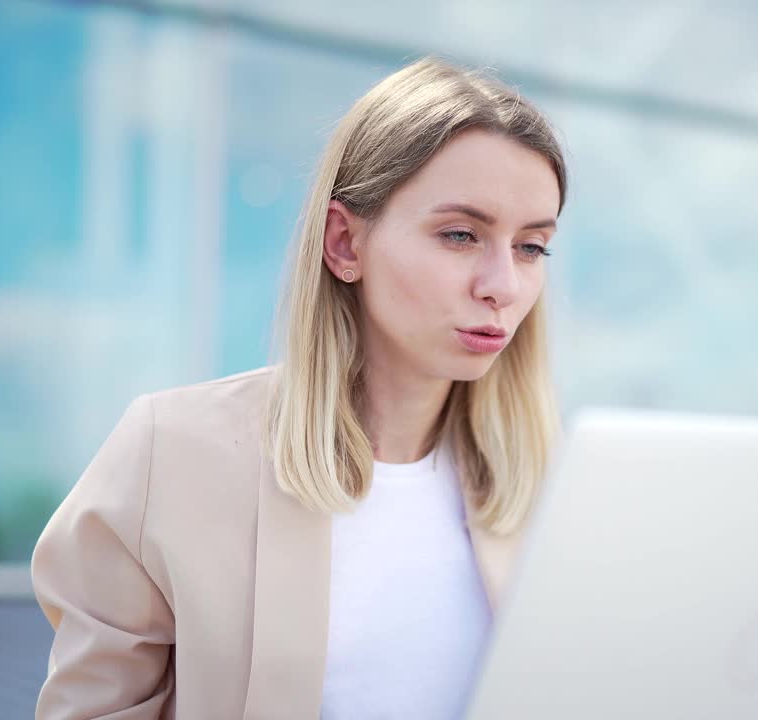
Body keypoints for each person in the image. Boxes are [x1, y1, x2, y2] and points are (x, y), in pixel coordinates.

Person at [31, 56, 568, 719]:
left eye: (531, 247)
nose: (503, 286)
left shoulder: (558, 487)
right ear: (344, 243)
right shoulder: (169, 455)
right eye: (460, 235)